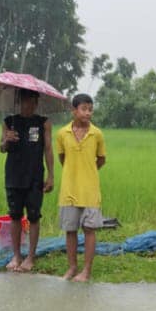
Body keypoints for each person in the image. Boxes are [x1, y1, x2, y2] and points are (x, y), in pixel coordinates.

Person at [0, 89, 54, 272]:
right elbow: (1, 148)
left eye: (33, 102)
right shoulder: (9, 122)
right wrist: (7, 140)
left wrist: (51, 175)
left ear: (36, 103)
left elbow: (48, 149)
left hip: (35, 175)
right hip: (14, 175)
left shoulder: (43, 123)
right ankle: (16, 255)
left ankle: (30, 256)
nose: (29, 105)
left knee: (34, 216)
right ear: (19, 102)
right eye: (25, 101)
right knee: (15, 215)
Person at [54, 93, 106, 282]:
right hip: (69, 190)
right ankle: (72, 267)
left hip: (90, 191)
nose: (88, 113)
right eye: (84, 109)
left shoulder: (97, 134)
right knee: (70, 230)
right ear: (74, 110)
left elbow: (101, 159)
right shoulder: (62, 134)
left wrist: (88, 171)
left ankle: (86, 270)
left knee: (90, 230)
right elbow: (62, 158)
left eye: (90, 109)